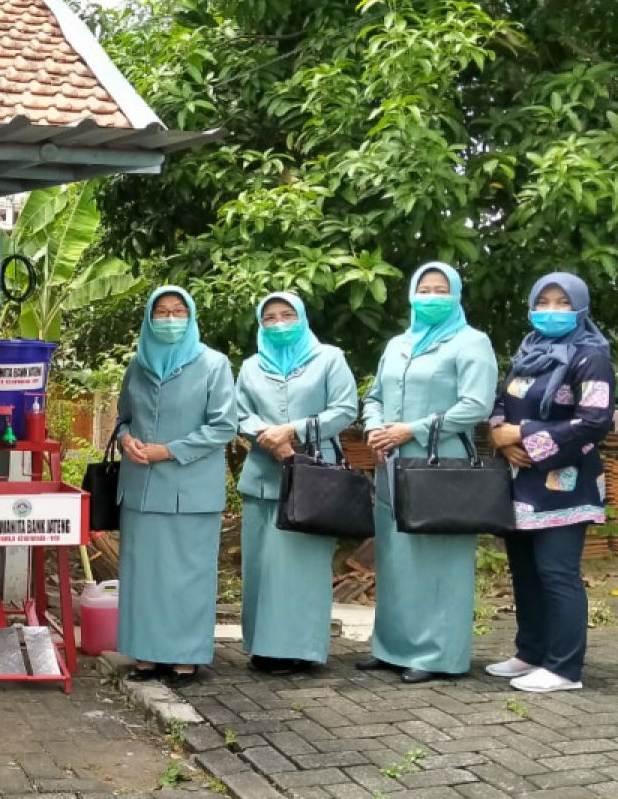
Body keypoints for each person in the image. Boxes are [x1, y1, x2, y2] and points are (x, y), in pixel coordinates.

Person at [359, 262, 498, 684]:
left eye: (441, 289)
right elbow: (375, 395)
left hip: (440, 464)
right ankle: (393, 648)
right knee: (396, 557)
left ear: (456, 296)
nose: (432, 296)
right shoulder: (399, 344)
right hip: (392, 463)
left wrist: (411, 430)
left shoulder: (472, 342)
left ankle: (438, 655)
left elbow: (476, 405)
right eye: (424, 288)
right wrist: (373, 427)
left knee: (438, 561)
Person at [487, 273, 614, 692]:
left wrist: (524, 435)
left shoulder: (590, 356)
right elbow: (501, 402)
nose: (553, 310)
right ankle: (531, 652)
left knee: (556, 572)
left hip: (566, 482)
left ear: (580, 307)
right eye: (545, 301)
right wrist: (501, 440)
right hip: (522, 480)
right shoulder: (528, 351)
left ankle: (564, 668)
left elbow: (594, 421)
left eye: (563, 302)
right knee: (524, 570)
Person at [116, 286, 237, 688]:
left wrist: (167, 451)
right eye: (161, 312)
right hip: (141, 489)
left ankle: (185, 658)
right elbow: (123, 418)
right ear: (149, 318)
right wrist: (125, 440)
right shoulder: (137, 364)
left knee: (188, 576)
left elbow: (223, 426)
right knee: (144, 576)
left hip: (191, 490)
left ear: (191, 316)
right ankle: (147, 656)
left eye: (177, 311)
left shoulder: (214, 364)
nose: (169, 319)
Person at [235, 292, 358, 675]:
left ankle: (300, 649)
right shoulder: (251, 366)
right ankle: (264, 647)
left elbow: (345, 409)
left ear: (302, 317)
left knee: (302, 567)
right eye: (269, 317)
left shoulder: (329, 359)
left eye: (287, 314)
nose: (278, 323)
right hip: (263, 476)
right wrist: (268, 436)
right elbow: (239, 413)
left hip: (313, 475)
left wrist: (294, 430)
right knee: (261, 566)